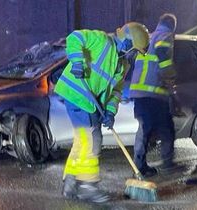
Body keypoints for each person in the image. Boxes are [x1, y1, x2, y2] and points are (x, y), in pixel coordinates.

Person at [54, 22, 150, 203]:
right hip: (76, 95)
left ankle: (71, 183)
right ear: (127, 43)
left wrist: (110, 112)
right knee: (92, 139)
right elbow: (75, 38)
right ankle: (87, 187)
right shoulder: (102, 41)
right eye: (135, 51)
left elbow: (115, 92)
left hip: (90, 102)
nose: (134, 56)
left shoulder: (122, 65)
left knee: (83, 141)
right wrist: (77, 61)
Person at [129, 13, 177, 178]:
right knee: (166, 129)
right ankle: (168, 162)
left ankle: (139, 165)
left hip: (140, 93)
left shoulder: (148, 37)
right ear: (172, 26)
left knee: (144, 129)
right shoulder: (166, 36)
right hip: (155, 92)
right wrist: (170, 79)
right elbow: (164, 58)